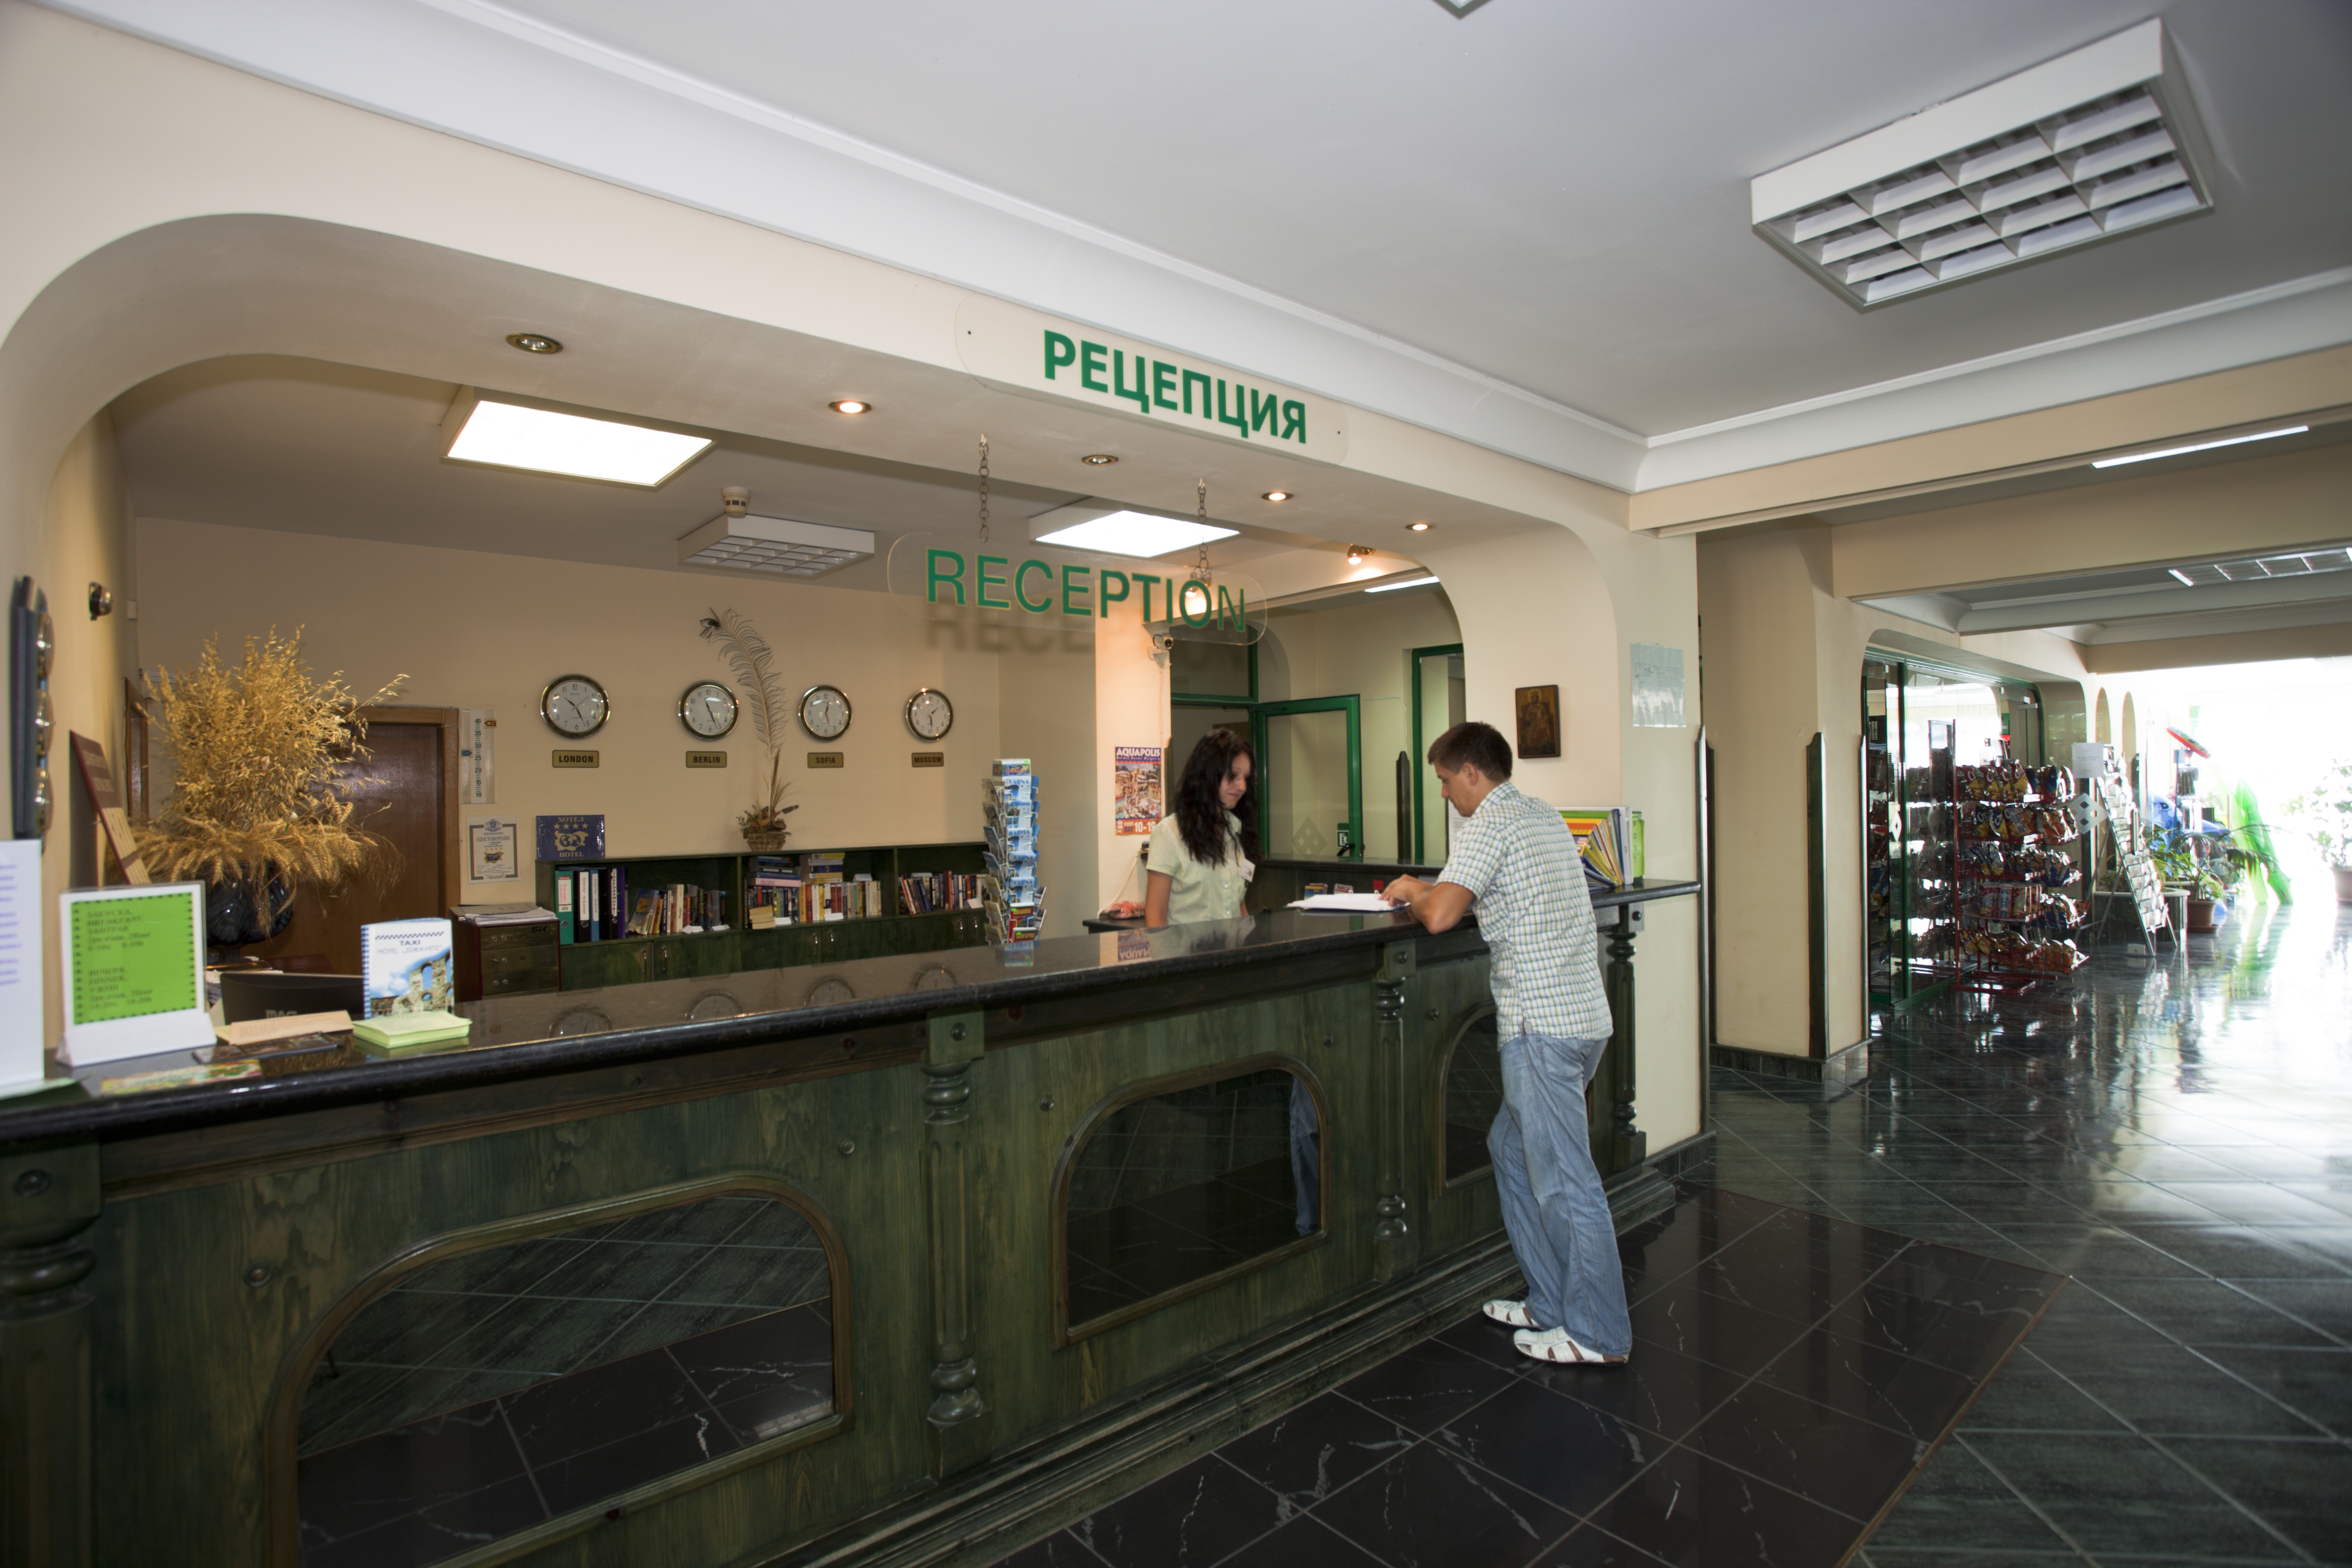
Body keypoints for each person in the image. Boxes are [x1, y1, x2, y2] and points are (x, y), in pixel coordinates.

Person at [1382, 720, 1627, 1366]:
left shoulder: (1489, 823)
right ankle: (1551, 1303)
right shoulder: (1542, 815)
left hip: (1540, 1030)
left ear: (1471, 772)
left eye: (1445, 781)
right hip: (1583, 1020)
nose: (1444, 794)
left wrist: (1412, 892)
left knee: (1566, 1183)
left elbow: (1441, 915)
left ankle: (1598, 1334)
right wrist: (1429, 890)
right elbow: (1475, 894)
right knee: (1510, 1149)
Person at [1144, 730, 1318, 1234]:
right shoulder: (1170, 834)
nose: (1240, 786)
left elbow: (1239, 905)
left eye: (1245, 778)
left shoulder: (1237, 833)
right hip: (1190, 974)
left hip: (1233, 972)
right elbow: (1155, 918)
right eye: (1231, 776)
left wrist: (1252, 947)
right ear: (1207, 775)